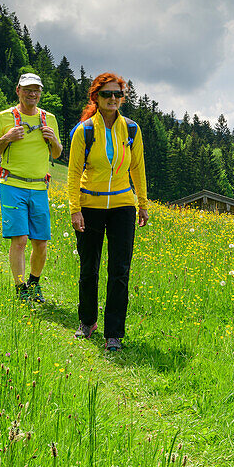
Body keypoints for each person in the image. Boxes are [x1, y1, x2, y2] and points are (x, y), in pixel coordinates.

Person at [68, 72, 149, 351]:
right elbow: (73, 172)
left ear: (122, 98)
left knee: (120, 271)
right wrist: (74, 209)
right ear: (96, 97)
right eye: (106, 94)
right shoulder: (84, 131)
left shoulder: (133, 129)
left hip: (123, 206)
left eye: (118, 94)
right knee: (88, 268)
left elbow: (137, 168)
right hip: (90, 205)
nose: (113, 99)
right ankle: (87, 321)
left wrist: (143, 204)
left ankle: (113, 333)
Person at [0, 73, 63, 302]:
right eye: (28, 89)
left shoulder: (49, 119)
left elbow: (57, 154)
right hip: (12, 184)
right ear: (18, 90)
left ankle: (34, 283)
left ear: (40, 93)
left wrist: (53, 141)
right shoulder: (4, 118)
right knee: (19, 240)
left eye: (36, 90)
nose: (32, 94)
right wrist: (6, 138)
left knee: (40, 242)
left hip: (40, 187)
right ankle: (20, 290)